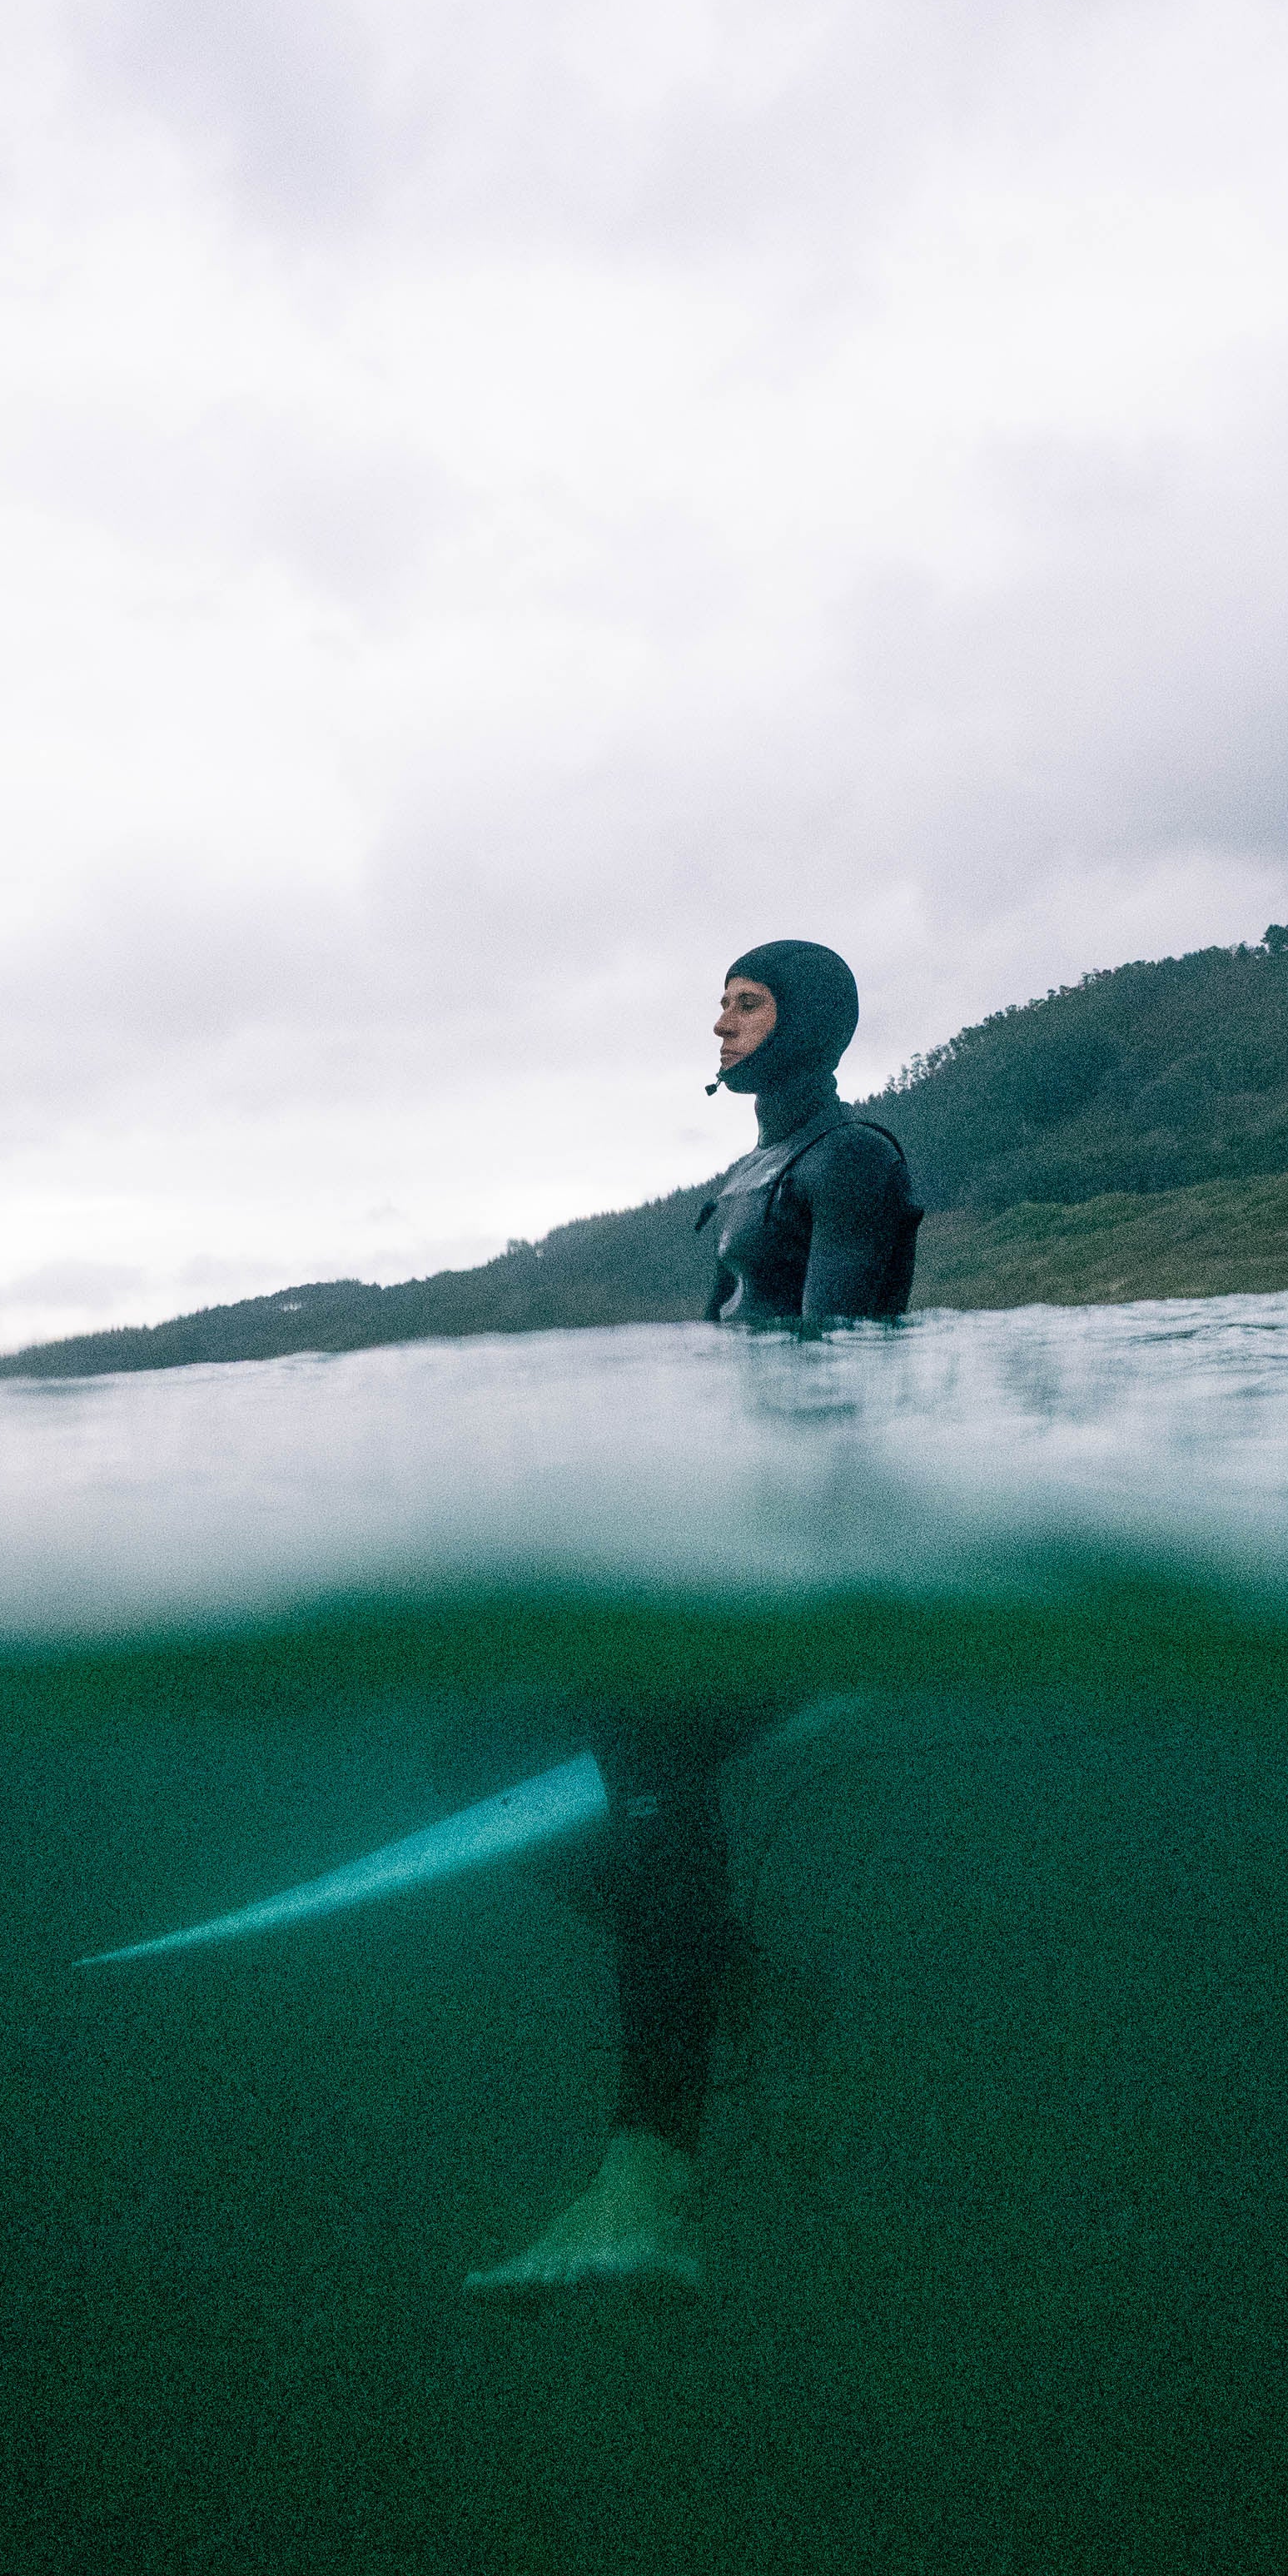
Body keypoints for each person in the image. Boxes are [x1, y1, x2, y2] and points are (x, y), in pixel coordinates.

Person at [468, 943, 921, 2290]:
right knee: (475, 1754)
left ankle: (646, 2179)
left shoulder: (856, 1162)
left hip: (807, 1555)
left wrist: (774, 1552)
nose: (719, 1020)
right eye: (722, 1001)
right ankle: (727, 1965)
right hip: (728, 1538)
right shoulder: (737, 1182)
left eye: (747, 1001)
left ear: (812, 1023)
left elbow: (835, 1377)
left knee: (642, 1740)